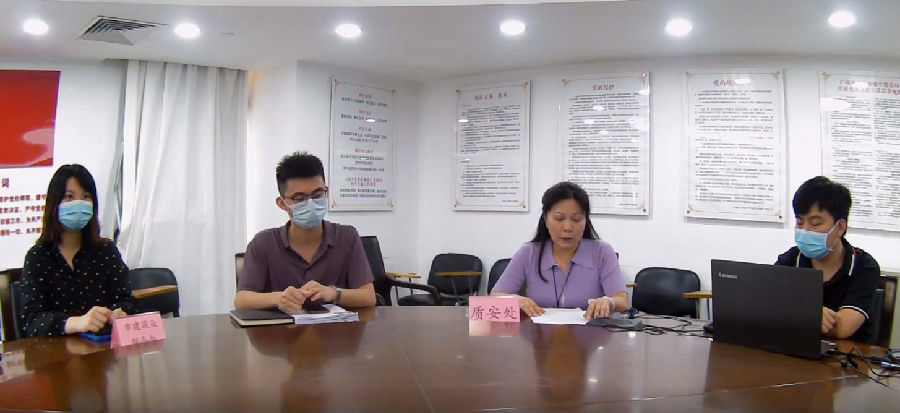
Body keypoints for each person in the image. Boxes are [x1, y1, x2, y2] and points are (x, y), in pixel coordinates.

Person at [234, 151, 376, 312]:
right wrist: (279, 298)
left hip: (335, 327)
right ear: (282, 203)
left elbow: (368, 297)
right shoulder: (264, 242)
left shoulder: (347, 237)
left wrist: (333, 293)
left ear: (327, 192)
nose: (311, 203)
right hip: (283, 327)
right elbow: (242, 300)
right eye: (299, 198)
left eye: (318, 194)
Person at [20, 164, 135, 337]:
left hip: (103, 348)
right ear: (54, 203)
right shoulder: (38, 257)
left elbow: (127, 300)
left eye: (86, 197)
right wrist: (76, 323)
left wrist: (120, 312)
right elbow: (32, 321)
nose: (79, 204)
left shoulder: (106, 251)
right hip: (56, 351)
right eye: (69, 197)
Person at [491, 181, 627, 319]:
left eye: (576, 219)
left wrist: (609, 302)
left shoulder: (602, 252)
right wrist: (513, 300)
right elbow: (496, 296)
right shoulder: (528, 253)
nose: (567, 227)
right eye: (559, 218)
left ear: (585, 220)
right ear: (546, 219)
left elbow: (622, 301)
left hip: (590, 331)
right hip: (538, 331)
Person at [776, 176, 880, 342]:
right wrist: (809, 314)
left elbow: (841, 328)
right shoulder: (791, 259)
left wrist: (792, 312)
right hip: (797, 349)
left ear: (840, 227)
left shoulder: (864, 267)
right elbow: (765, 306)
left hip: (848, 354)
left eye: (815, 223)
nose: (805, 230)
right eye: (800, 222)